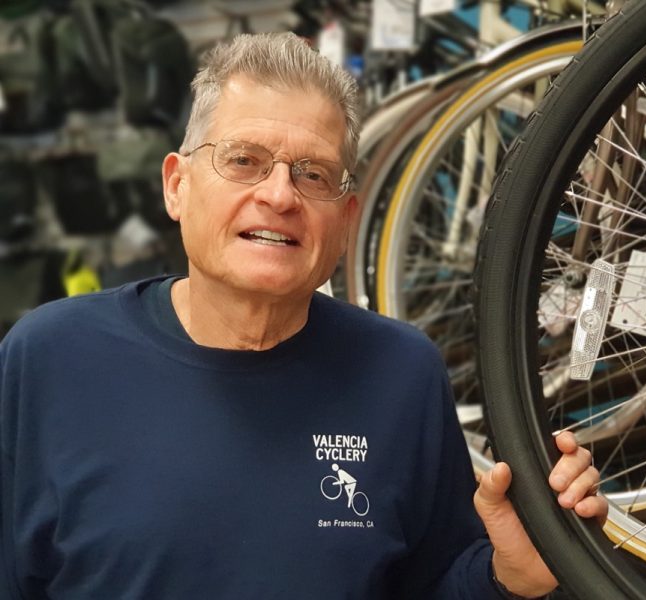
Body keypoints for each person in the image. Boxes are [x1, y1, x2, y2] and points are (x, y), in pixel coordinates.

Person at [0, 32, 606, 599]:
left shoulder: (401, 373)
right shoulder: (48, 358)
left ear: (345, 219)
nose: (280, 195)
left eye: (313, 174)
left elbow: (434, 584)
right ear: (176, 185)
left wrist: (510, 575)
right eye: (243, 160)